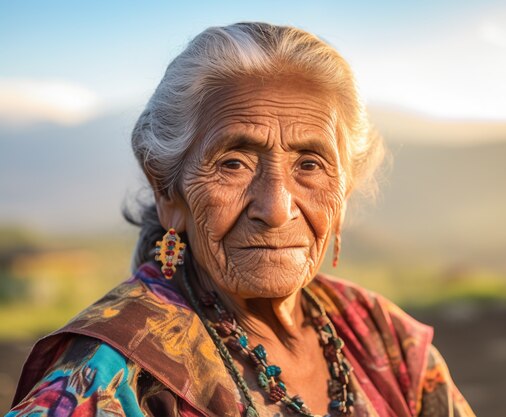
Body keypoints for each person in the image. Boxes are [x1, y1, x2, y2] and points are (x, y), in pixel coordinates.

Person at [7, 22, 475, 417]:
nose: (275, 209)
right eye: (234, 163)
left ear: (344, 193)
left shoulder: (385, 337)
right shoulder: (107, 377)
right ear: (167, 191)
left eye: (309, 164)